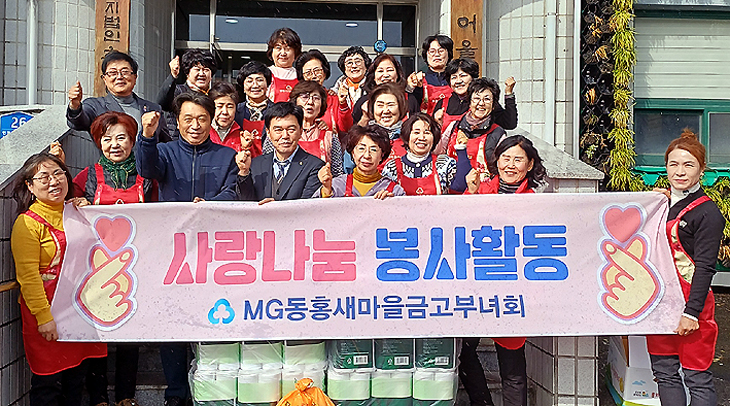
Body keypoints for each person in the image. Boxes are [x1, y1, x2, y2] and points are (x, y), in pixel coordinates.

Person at [136, 92, 238, 406]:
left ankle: (215, 390)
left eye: (202, 119)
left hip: (216, 252)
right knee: (173, 323)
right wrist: (147, 136)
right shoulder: (164, 152)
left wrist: (209, 206)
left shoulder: (227, 155)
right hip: (174, 253)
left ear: (212, 121)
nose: (195, 125)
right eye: (188, 119)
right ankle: (176, 393)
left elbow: (233, 193)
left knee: (216, 318)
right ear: (177, 122)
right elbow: (146, 169)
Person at [11, 153, 107, 406]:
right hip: (46, 312)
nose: (53, 181)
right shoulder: (27, 224)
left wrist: (90, 212)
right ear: (30, 186)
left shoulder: (76, 212)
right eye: (43, 177)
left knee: (75, 379)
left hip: (78, 308)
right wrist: (44, 318)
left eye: (58, 174)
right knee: (48, 383)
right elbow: (28, 276)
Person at [75, 111, 154, 406]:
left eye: (122, 138)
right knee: (98, 332)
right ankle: (98, 396)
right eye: (107, 139)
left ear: (133, 141)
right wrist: (77, 202)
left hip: (135, 265)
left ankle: (126, 396)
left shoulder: (146, 176)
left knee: (130, 333)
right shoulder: (88, 176)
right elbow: (68, 207)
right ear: (99, 143)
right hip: (96, 267)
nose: (115, 145)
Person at [646, 129, 724, 406]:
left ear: (702, 169)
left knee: (696, 376)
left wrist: (691, 313)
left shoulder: (708, 213)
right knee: (665, 374)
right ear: (666, 167)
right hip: (660, 301)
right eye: (674, 164)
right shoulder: (659, 204)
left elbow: (705, 267)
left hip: (693, 304)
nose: (680, 172)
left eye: (688, 165)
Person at [66, 51, 170, 195]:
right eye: (113, 73)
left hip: (146, 183)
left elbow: (166, 144)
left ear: (135, 77)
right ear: (104, 79)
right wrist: (75, 106)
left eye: (125, 72)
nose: (119, 77)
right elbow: (78, 122)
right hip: (108, 179)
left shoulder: (153, 108)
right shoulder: (95, 105)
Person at [236, 102, 324, 202]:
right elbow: (245, 203)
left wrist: (277, 208)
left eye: (291, 129)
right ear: (268, 133)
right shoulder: (256, 164)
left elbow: (307, 205)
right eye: (278, 130)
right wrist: (244, 172)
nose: (285, 136)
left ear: (300, 131)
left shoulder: (314, 166)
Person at [264, 81, 344, 178]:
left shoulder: (330, 137)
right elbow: (267, 168)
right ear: (295, 101)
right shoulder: (279, 134)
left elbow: (337, 174)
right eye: (305, 97)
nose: (310, 102)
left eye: (316, 98)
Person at [436, 78, 508, 182]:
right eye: (476, 98)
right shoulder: (454, 126)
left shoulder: (498, 134)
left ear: (493, 106)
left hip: (483, 189)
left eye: (487, 99)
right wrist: (437, 126)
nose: (481, 103)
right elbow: (438, 152)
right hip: (452, 188)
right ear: (469, 103)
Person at [381, 113, 466, 195]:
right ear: (407, 136)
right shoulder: (392, 168)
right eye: (416, 133)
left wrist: (461, 149)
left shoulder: (445, 163)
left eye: (427, 133)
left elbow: (460, 189)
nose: (422, 138)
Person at [315, 125, 405, 198]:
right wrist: (326, 190)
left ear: (382, 155)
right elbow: (315, 211)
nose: (367, 156)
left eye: (373, 150)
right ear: (353, 153)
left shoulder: (394, 190)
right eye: (361, 148)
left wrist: (392, 204)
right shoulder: (336, 185)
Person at [433, 59, 517, 132]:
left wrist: (509, 94)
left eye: (463, 76)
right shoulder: (442, 103)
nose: (458, 81)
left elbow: (510, 123)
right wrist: (436, 122)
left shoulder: (483, 103)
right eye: (454, 77)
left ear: (473, 78)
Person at [157, 49, 217, 139]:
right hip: (177, 142)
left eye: (206, 70)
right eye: (197, 69)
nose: (202, 73)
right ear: (187, 73)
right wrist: (173, 76)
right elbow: (162, 103)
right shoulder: (178, 91)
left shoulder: (213, 95)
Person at [294, 49, 353, 136]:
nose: (314, 76)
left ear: (325, 72)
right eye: (308, 73)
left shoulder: (335, 99)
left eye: (317, 71)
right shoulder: (296, 99)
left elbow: (346, 129)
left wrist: (343, 104)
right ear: (302, 77)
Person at [464, 134, 546, 195]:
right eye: (506, 159)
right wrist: (471, 193)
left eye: (517, 160)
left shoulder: (536, 196)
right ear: (497, 161)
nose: (510, 166)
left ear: (530, 165)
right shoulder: (481, 191)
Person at [353, 54, 421, 125]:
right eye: (380, 71)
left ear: (398, 75)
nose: (385, 75)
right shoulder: (364, 102)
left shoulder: (409, 99)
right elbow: (353, 129)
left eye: (390, 70)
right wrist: (365, 118)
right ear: (374, 76)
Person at [364, 83, 409, 168]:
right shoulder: (362, 137)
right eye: (380, 105)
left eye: (390, 105)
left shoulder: (409, 137)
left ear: (400, 108)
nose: (385, 111)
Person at [235, 61, 274, 158]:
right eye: (249, 81)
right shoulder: (235, 111)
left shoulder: (276, 111)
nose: (255, 85)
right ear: (243, 87)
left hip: (268, 162)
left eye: (259, 80)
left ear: (267, 84)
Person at [409, 34, 453, 116]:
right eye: (432, 51)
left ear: (449, 53)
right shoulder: (419, 80)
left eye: (441, 51)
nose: (437, 55)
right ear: (426, 55)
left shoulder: (455, 79)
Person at [266, 28, 302, 103]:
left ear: (295, 52)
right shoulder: (265, 74)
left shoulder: (301, 76)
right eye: (278, 48)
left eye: (287, 48)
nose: (283, 53)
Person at [208, 81, 245, 152]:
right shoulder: (203, 132)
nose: (225, 112)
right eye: (219, 106)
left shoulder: (242, 135)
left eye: (230, 107)